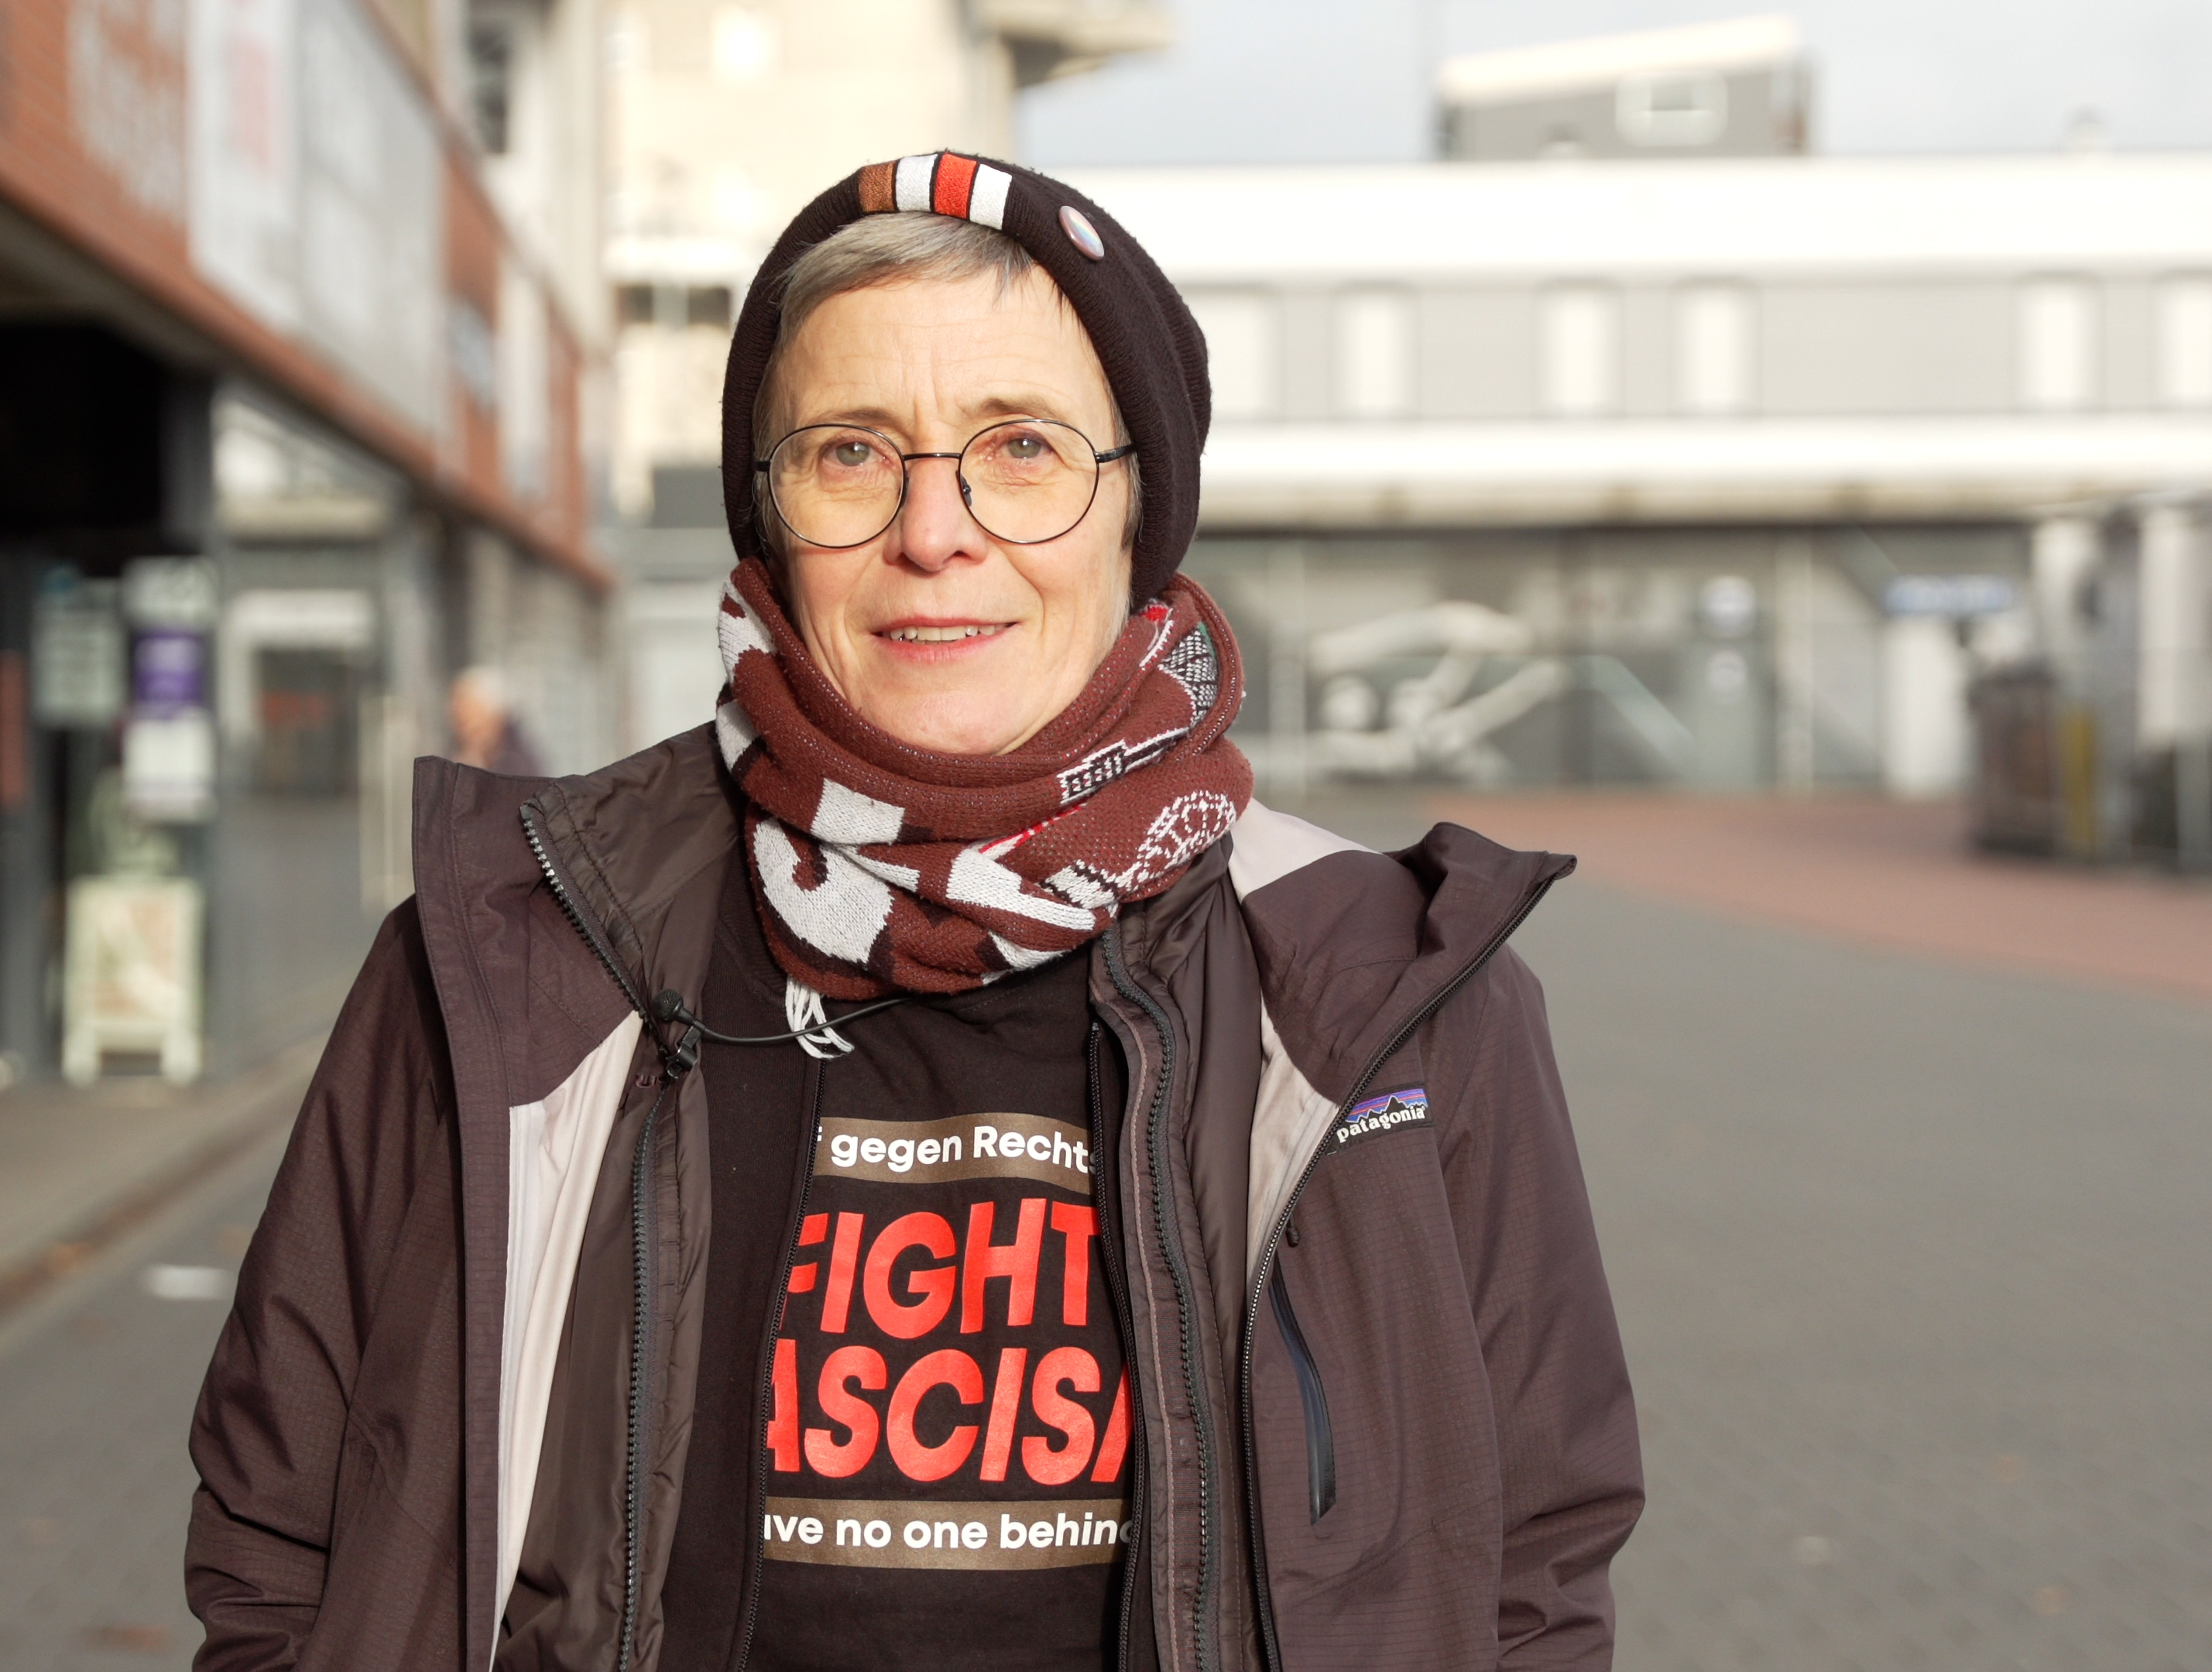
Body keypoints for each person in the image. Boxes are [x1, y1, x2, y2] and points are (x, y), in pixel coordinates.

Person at [186, 153, 1641, 1672]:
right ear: (770, 518)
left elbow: (1533, 1563)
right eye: (852, 452)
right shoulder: (503, 955)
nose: (934, 531)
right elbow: (279, 1532)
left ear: (1138, 510)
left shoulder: (1391, 995)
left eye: (1021, 448)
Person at [451, 665, 548, 777]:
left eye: (476, 721)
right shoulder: (449, 757)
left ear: (497, 719)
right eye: (462, 723)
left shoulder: (522, 761)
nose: (469, 730)